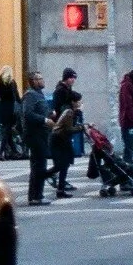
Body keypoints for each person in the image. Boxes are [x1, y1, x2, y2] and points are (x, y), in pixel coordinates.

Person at [20, 73, 52, 205]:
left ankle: (35, 195)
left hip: (41, 134)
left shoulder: (39, 94)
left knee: (39, 164)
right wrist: (44, 119)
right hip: (34, 134)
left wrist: (50, 113)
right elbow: (28, 114)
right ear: (33, 81)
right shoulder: (30, 95)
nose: (42, 80)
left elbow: (41, 110)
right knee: (39, 165)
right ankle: (36, 196)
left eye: (42, 78)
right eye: (39, 79)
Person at [50, 68, 82, 198]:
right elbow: (75, 97)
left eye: (74, 78)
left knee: (66, 161)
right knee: (63, 161)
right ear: (66, 78)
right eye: (71, 77)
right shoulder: (61, 91)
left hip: (63, 131)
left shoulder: (65, 90)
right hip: (61, 131)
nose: (73, 80)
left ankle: (60, 185)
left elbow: (75, 96)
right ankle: (50, 177)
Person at [0, 66, 22, 161]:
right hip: (11, 109)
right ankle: (1, 153)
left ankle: (14, 151)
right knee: (6, 131)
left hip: (2, 109)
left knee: (7, 131)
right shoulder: (12, 83)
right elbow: (17, 97)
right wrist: (22, 104)